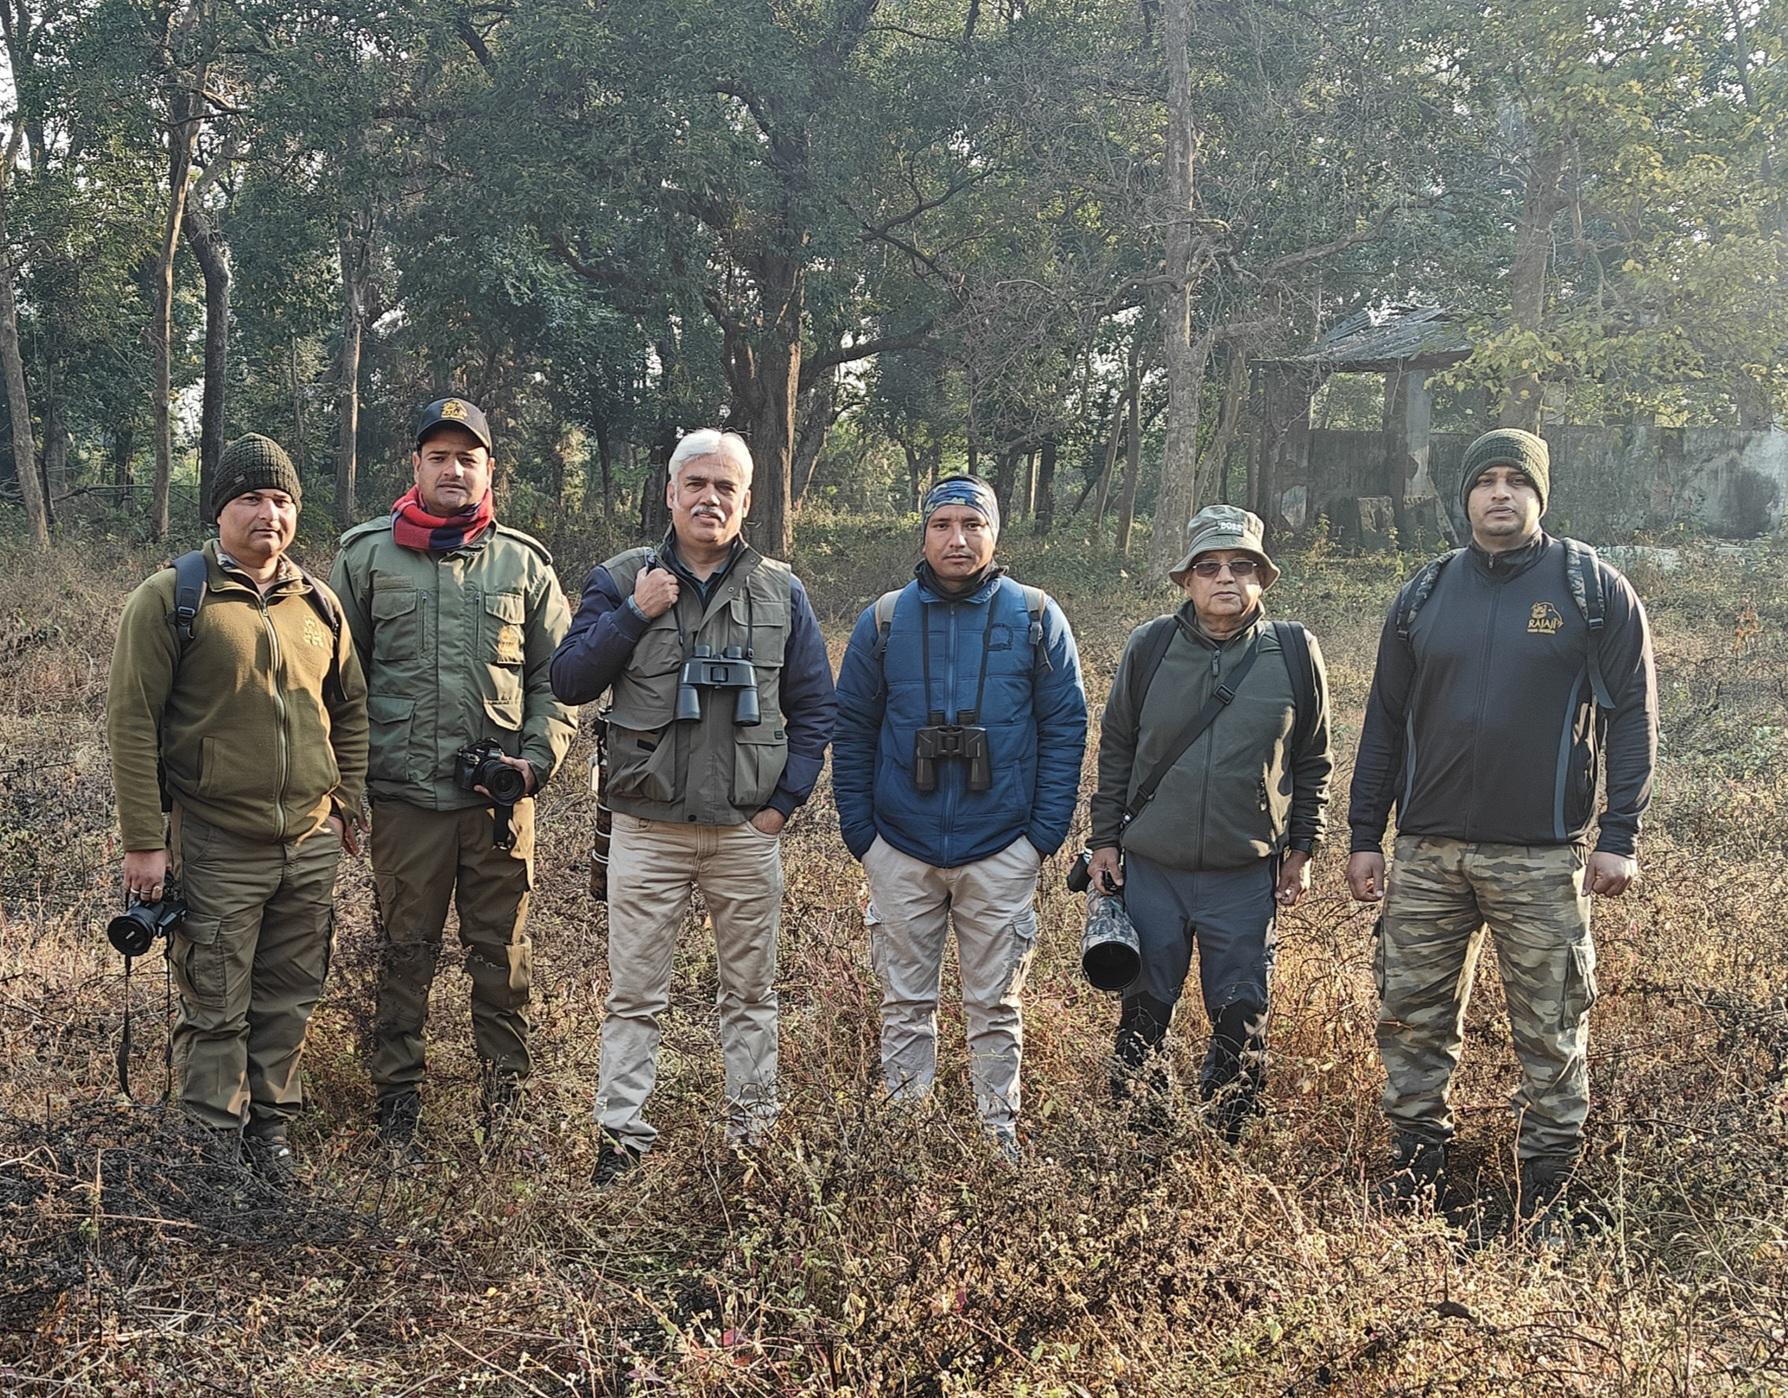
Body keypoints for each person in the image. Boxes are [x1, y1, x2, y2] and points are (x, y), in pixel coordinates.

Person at [1347, 427, 1657, 1220]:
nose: (1499, 494)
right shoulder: (1425, 592)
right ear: (1465, 496)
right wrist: (1362, 837)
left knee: (1552, 1033)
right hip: (1426, 855)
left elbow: (1634, 721)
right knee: (1412, 1025)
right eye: (1484, 480)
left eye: (1516, 480)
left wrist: (1621, 835)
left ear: (1539, 495)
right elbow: (1383, 721)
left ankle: (1544, 1202)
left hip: (1542, 860)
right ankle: (1415, 1185)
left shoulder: (1592, 588)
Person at [551, 429, 836, 1183]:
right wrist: (634, 615)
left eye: (727, 488)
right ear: (671, 494)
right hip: (648, 830)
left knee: (750, 992)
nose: (711, 499)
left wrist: (782, 806)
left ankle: (752, 1134)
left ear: (747, 500)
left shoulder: (783, 589)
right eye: (696, 484)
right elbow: (571, 680)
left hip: (746, 831)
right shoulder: (619, 579)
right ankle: (621, 1141)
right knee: (635, 994)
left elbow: (815, 706)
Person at [107, 434, 368, 1183]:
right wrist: (144, 842)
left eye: (282, 500)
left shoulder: (318, 603)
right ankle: (212, 1147)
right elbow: (131, 723)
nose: (269, 514)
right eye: (252, 498)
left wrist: (347, 801)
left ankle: (270, 1133)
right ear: (219, 509)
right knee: (216, 999)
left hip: (310, 840)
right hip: (218, 840)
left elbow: (350, 710)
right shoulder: (172, 598)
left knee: (289, 995)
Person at [331, 397, 576, 1152]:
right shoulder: (366, 556)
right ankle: (396, 1111)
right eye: (439, 456)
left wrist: (535, 763)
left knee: (503, 960)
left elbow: (557, 680)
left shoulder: (524, 564)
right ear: (416, 467)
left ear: (489, 469)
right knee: (403, 955)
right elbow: (333, 684)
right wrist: (342, 790)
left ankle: (506, 1107)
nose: (453, 468)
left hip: (499, 809)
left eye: (468, 457)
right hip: (406, 806)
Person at [832, 476, 1087, 1160]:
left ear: (994, 533)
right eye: (942, 523)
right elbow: (851, 730)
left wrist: (1040, 839)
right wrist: (864, 835)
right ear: (923, 532)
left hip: (1000, 847)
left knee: (996, 1007)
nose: (957, 538)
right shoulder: (883, 620)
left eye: (972, 524)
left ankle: (996, 1137)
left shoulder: (1036, 616)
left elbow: (1066, 729)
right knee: (905, 1005)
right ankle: (902, 1137)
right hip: (901, 846)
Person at [1088, 505, 1331, 1141]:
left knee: (1241, 1012)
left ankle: (1227, 1139)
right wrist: (1104, 842)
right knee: (1143, 1009)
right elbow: (1116, 748)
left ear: (1263, 579)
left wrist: (1302, 849)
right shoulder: (1151, 647)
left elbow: (1314, 759)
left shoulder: (1295, 654)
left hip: (1245, 873)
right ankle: (1138, 1135)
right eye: (1209, 566)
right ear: (1187, 580)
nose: (1225, 577)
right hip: (1153, 870)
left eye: (1241, 565)